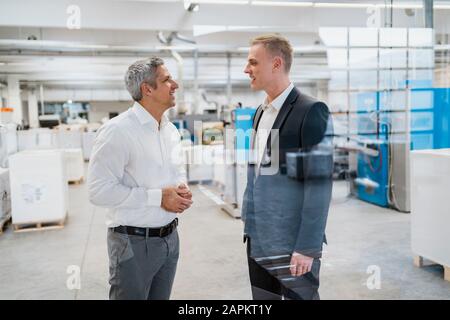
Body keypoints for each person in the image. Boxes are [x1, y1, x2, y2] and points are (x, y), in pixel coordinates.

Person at [88, 57, 193, 300]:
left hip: (170, 239)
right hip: (132, 242)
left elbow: (175, 172)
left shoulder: (170, 130)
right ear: (147, 89)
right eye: (167, 80)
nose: (175, 84)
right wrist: (158, 198)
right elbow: (98, 191)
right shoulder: (118, 131)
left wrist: (181, 188)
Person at [242, 34, 333, 300]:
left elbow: (319, 186)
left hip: (293, 242)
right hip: (258, 237)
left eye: (253, 63)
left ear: (276, 64)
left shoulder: (311, 110)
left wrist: (307, 247)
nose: (247, 70)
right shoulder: (260, 113)